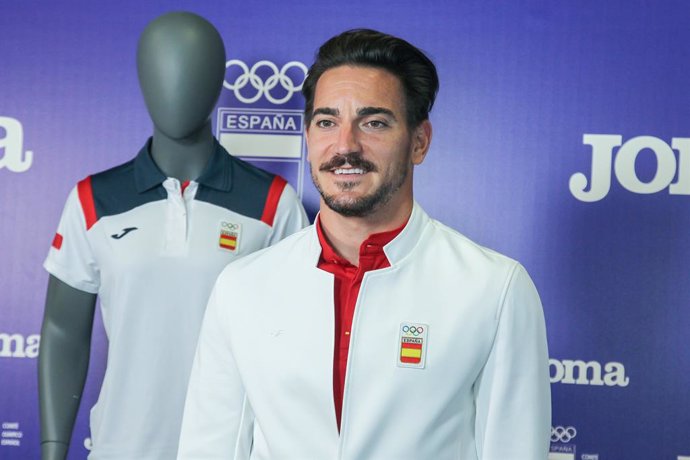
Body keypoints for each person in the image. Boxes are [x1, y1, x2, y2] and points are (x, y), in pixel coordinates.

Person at [177, 28, 550, 460]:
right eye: (327, 121)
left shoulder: (494, 289)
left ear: (419, 141)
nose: (345, 146)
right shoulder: (242, 286)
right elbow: (210, 448)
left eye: (374, 122)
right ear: (308, 136)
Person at [38, 12, 307, 460]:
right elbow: (63, 330)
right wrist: (53, 449)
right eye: (161, 69)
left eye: (192, 70)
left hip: (228, 448)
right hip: (120, 447)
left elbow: (296, 338)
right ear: (143, 79)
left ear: (216, 82)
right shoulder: (93, 200)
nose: (176, 84)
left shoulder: (273, 202)